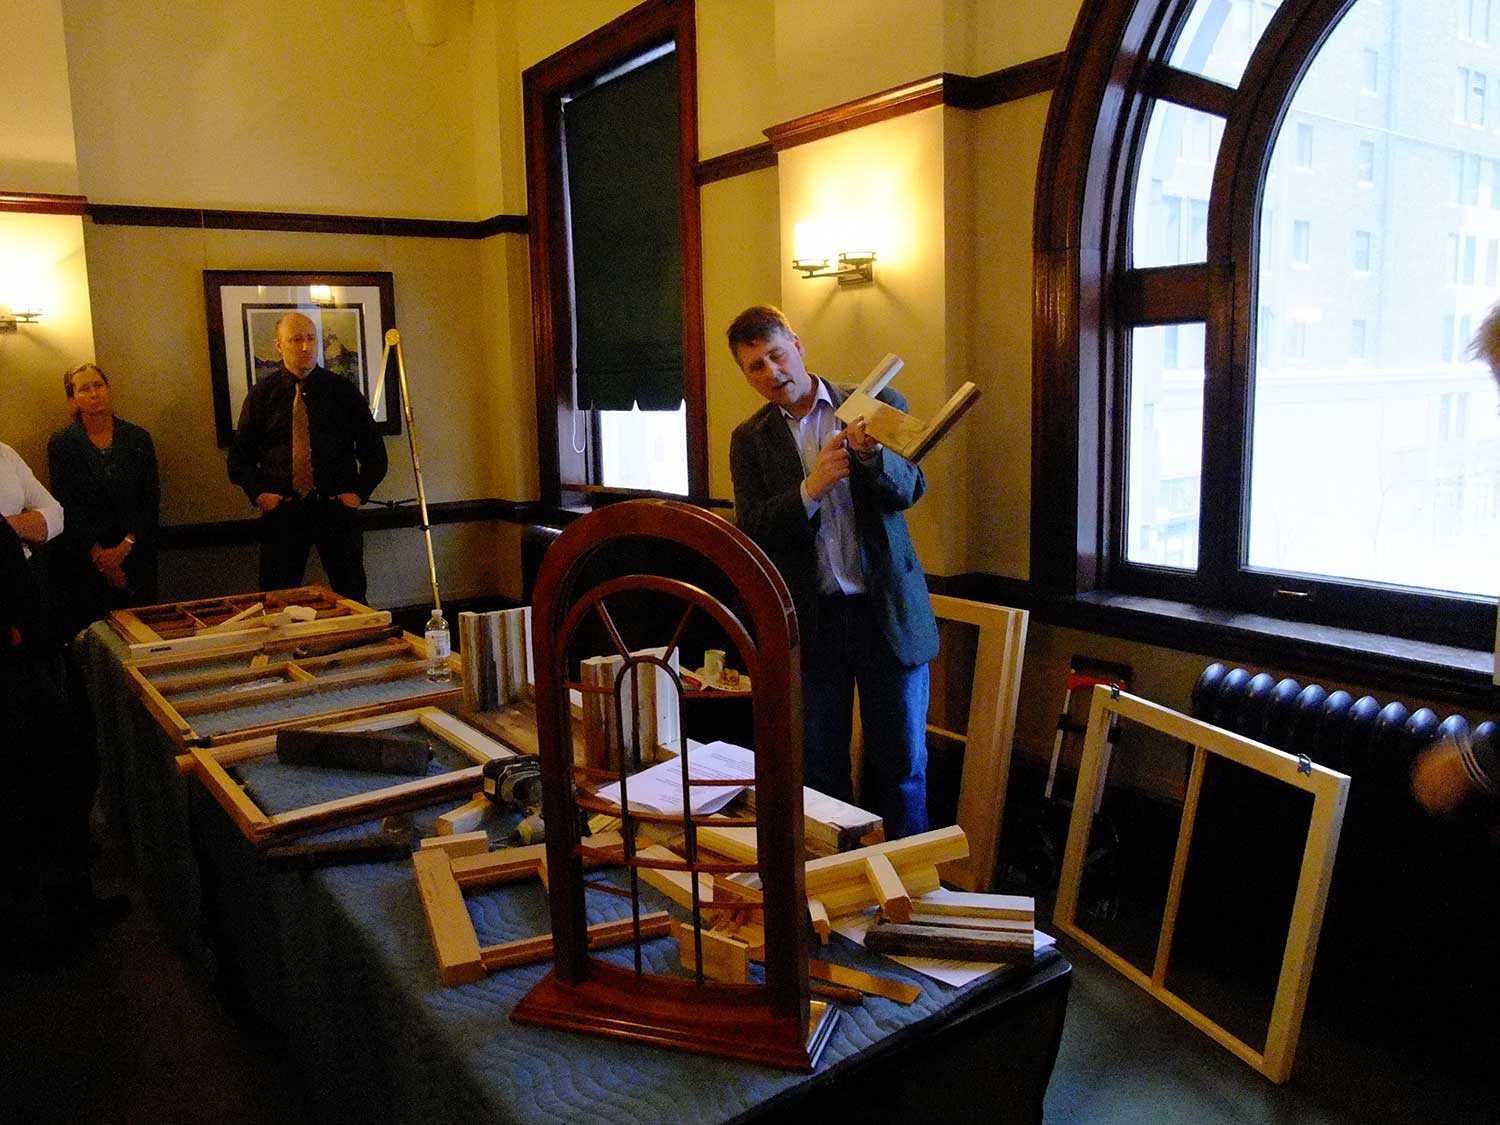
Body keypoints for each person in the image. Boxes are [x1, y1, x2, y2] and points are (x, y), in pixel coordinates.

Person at [726, 305, 939, 838]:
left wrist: (871, 458)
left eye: (777, 355)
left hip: (885, 615)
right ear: (747, 376)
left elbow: (910, 488)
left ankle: (909, 878)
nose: (772, 372)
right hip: (814, 622)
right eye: (756, 367)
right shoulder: (749, 440)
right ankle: (837, 879)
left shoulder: (874, 403)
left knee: (902, 767)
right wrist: (810, 488)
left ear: (797, 346)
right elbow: (753, 528)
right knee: (820, 771)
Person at [227, 311, 387, 601]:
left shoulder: (343, 392)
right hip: (283, 513)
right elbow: (239, 459)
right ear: (279, 345)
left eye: (311, 339)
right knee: (277, 599)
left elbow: (375, 453)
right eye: (296, 339)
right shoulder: (262, 396)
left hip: (336, 510)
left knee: (352, 595)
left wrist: (359, 493)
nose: (305, 347)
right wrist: (259, 494)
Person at [47, 362, 161, 631]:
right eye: (84, 389)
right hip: (85, 562)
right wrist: (101, 558)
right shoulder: (62, 444)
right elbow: (66, 505)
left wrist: (124, 548)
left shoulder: (137, 438)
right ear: (73, 399)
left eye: (98, 385)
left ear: (108, 389)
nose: (94, 393)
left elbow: (150, 500)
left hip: (135, 554)